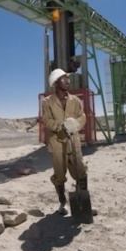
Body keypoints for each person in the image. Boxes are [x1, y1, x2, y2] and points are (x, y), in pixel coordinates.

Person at [42, 68, 87, 215]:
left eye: (68, 78)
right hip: (57, 144)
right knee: (59, 175)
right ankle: (62, 203)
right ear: (55, 83)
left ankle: (83, 202)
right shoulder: (47, 102)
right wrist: (60, 126)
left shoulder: (76, 100)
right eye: (64, 79)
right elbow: (46, 120)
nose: (68, 81)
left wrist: (76, 124)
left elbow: (82, 116)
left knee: (81, 171)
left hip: (74, 142)